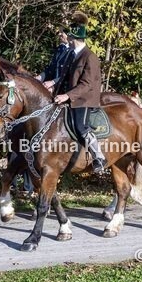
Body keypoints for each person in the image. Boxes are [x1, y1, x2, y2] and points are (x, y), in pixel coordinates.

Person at [53, 12, 108, 175]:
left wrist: (66, 96)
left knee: (81, 126)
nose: (66, 39)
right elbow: (64, 77)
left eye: (68, 37)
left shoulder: (90, 57)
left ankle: (99, 156)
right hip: (70, 97)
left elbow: (87, 84)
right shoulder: (72, 55)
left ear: (72, 38)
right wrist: (54, 88)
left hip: (84, 99)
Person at [40, 27, 72, 92]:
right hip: (54, 86)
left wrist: (53, 82)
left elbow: (68, 75)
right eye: (59, 32)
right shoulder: (59, 49)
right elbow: (51, 69)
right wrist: (40, 77)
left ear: (68, 34)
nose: (59, 34)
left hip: (65, 89)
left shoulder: (73, 52)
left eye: (61, 32)